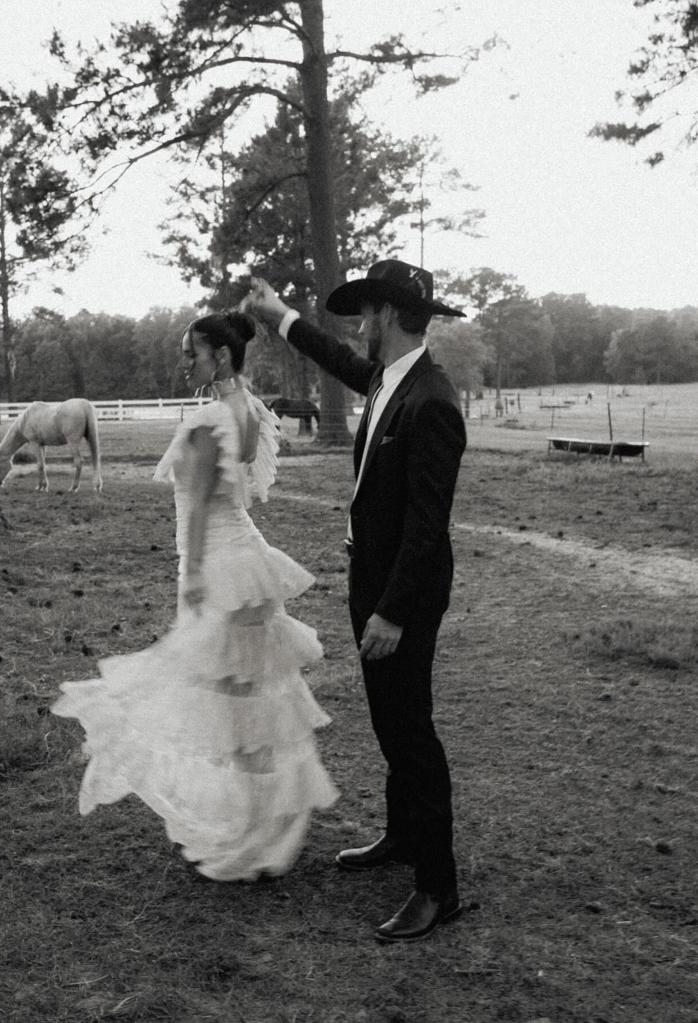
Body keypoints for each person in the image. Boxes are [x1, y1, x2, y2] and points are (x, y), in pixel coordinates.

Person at [52, 310, 338, 881]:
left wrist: (196, 576)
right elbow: (242, 494)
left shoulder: (211, 416)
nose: (185, 362)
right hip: (251, 563)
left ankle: (250, 836)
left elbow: (205, 503)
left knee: (219, 700)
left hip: (222, 569)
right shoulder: (250, 408)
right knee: (248, 703)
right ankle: (257, 828)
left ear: (222, 357)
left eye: (193, 353)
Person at [244, 260, 467, 942]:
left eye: (368, 312)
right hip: (370, 582)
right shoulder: (384, 379)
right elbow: (333, 353)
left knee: (412, 732)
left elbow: (428, 526)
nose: (360, 325)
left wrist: (393, 612)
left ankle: (437, 887)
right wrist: (278, 314)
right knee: (389, 722)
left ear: (393, 316)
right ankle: (402, 837)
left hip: (404, 596)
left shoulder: (432, 401)